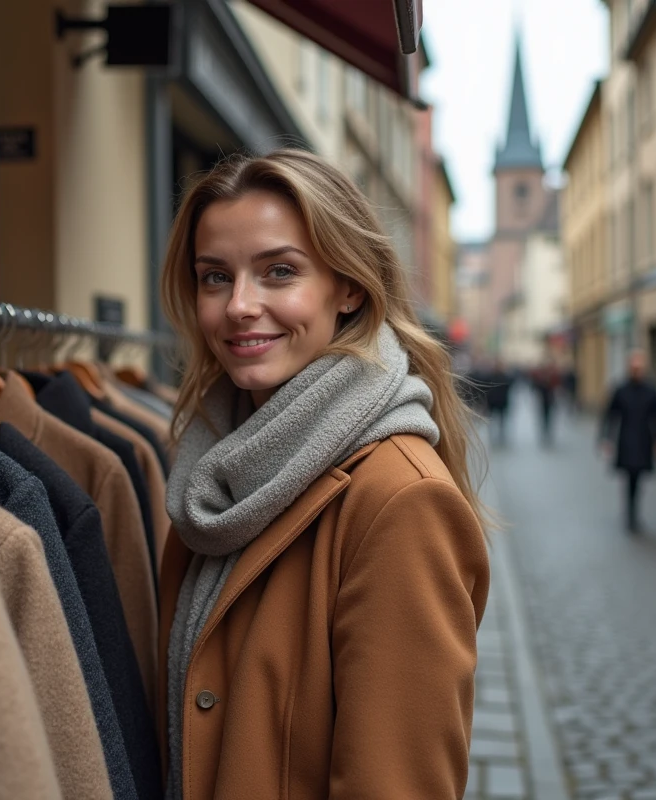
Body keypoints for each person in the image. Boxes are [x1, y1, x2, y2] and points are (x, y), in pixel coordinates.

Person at [158, 149, 491, 799]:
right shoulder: (212, 474)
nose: (239, 307)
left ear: (348, 287)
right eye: (214, 277)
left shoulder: (399, 501)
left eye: (279, 272)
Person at [599, 350, 656, 532]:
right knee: (629, 477)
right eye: (634, 367)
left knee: (638, 478)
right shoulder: (621, 389)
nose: (637, 370)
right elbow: (610, 414)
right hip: (626, 439)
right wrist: (606, 438)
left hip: (643, 439)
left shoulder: (650, 389)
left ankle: (633, 513)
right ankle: (630, 514)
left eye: (640, 367)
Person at [530, 357, 561, 447]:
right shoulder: (539, 376)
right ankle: (544, 431)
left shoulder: (553, 376)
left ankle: (548, 431)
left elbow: (557, 387)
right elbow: (535, 386)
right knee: (543, 417)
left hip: (550, 400)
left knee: (550, 417)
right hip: (542, 400)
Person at [483, 358, 514, 447]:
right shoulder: (491, 376)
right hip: (493, 401)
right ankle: (494, 435)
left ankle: (500, 435)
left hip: (501, 401)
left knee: (501, 420)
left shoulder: (505, 377)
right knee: (493, 419)